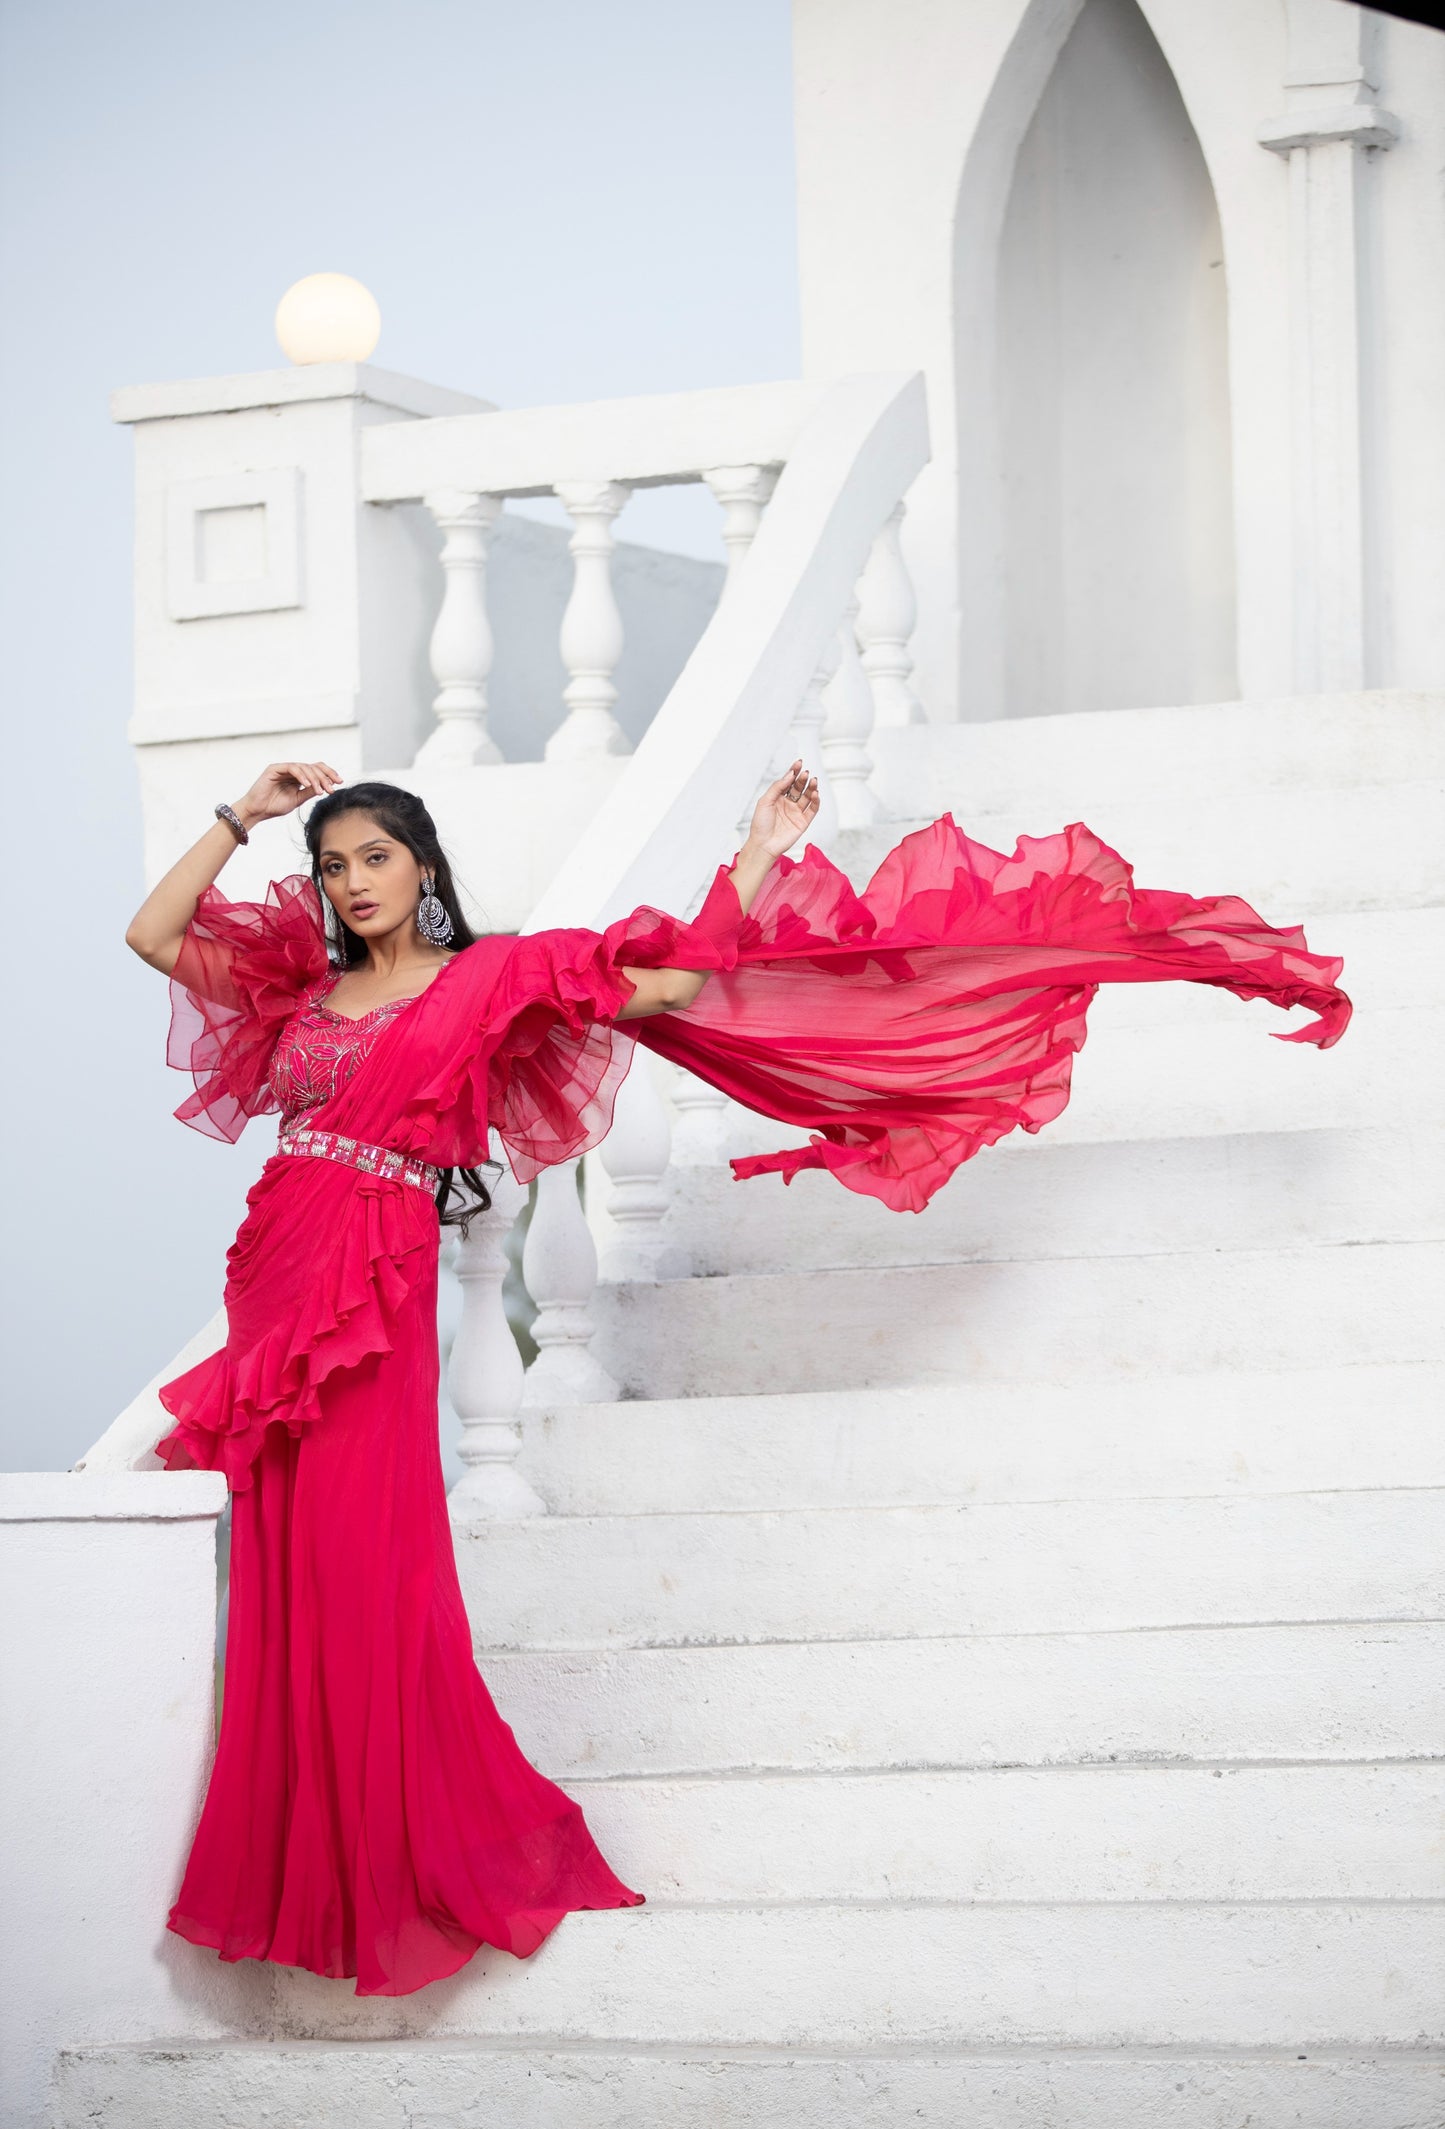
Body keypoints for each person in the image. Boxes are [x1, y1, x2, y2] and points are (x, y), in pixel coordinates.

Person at [126, 758, 1350, 1997]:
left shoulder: (494, 974)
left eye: (375, 856)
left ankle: (403, 1861)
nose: (353, 881)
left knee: (365, 1569)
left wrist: (754, 853)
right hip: (275, 1267)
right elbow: (152, 933)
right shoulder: (303, 989)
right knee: (285, 1570)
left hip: (371, 1289)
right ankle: (308, 1876)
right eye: (333, 865)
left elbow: (675, 978)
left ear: (424, 865)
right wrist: (245, 816)